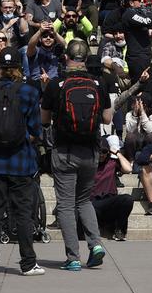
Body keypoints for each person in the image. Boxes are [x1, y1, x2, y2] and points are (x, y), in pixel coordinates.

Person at [41, 40, 112, 271]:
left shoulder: (56, 84)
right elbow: (108, 118)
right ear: (86, 58)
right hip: (90, 152)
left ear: (66, 57)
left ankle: (73, 257)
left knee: (65, 205)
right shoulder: (97, 83)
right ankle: (96, 244)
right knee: (84, 200)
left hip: (65, 152)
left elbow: (43, 120)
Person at [0, 46, 44, 277]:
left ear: (0, 69)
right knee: (23, 213)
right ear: (18, 69)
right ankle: (28, 263)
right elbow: (35, 127)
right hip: (21, 162)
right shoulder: (29, 92)